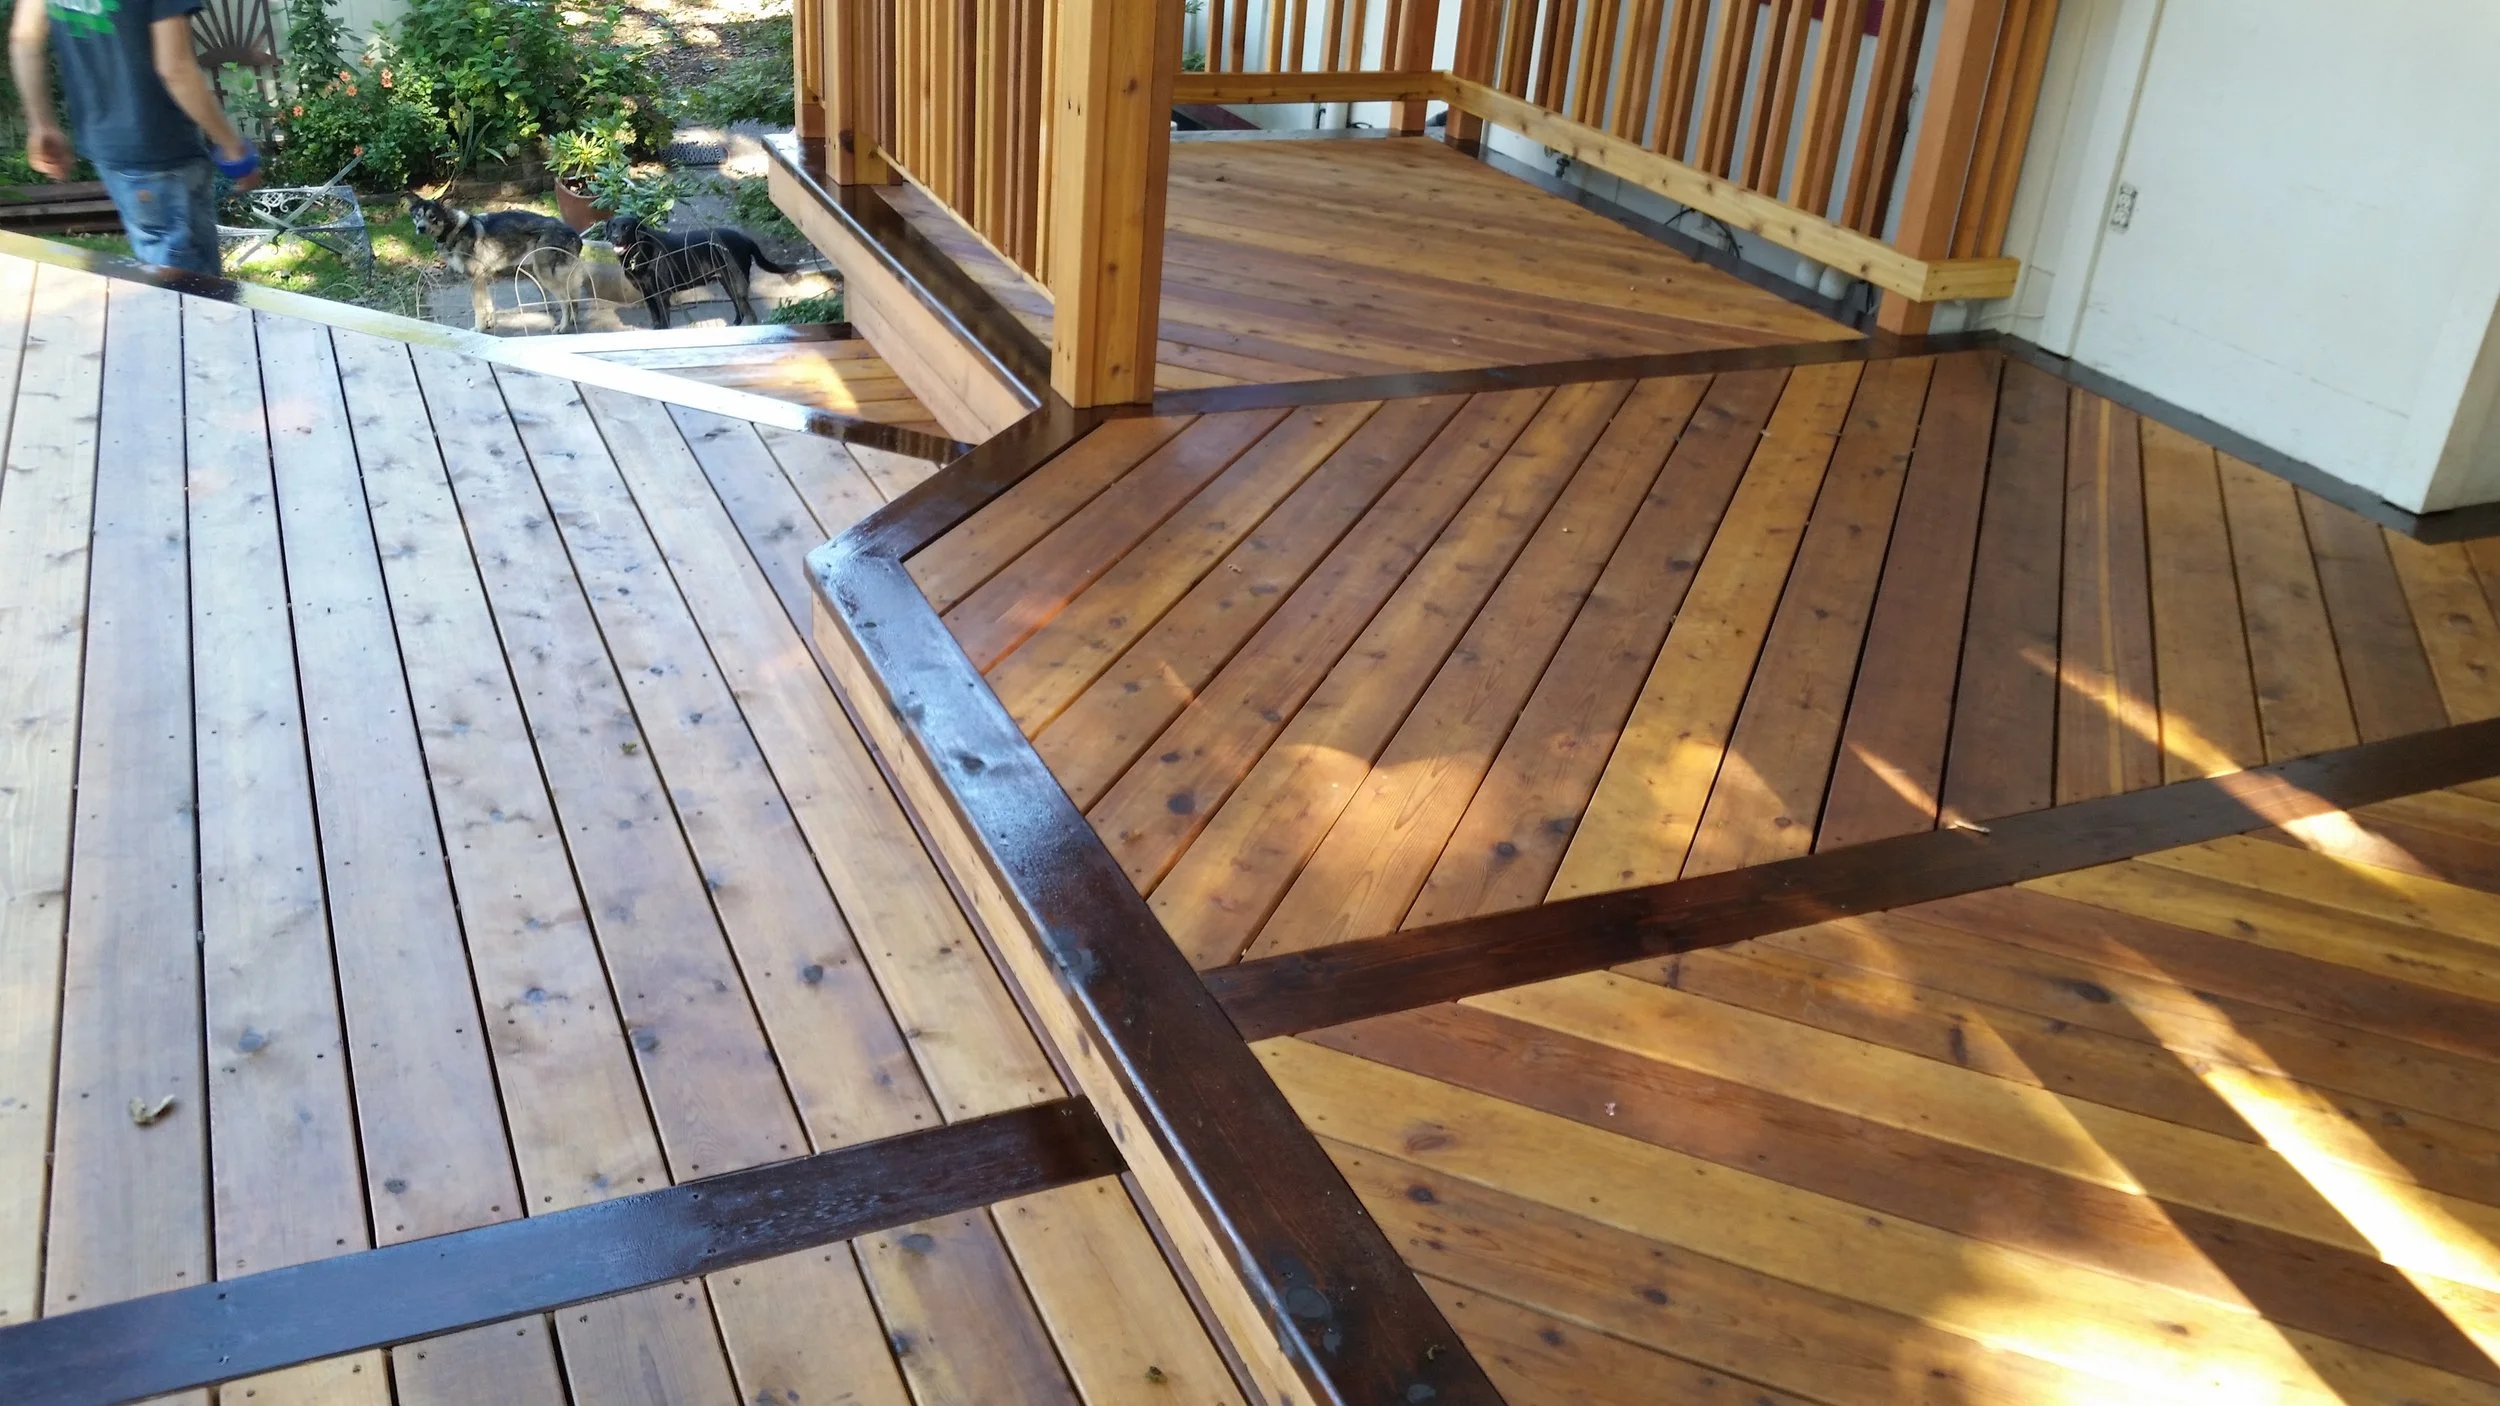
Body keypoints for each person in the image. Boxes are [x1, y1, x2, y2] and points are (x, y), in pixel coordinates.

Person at [9, 0, 263, 275]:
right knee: (184, 292)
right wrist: (232, 148)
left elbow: (24, 39)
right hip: (161, 151)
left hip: (108, 149)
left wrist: (42, 124)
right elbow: (175, 69)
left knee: (169, 275)